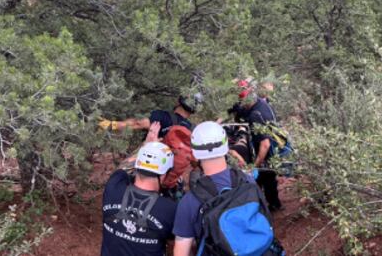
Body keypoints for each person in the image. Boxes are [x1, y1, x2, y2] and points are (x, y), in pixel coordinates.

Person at [173, 121, 279, 256]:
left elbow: (181, 251)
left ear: (195, 153)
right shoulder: (248, 181)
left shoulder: (190, 202)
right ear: (226, 145)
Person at [101, 128, 177, 256]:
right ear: (164, 174)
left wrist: (145, 145)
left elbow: (123, 168)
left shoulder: (113, 188)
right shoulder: (170, 210)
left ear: (137, 165)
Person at [234, 83, 284, 211]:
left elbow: (265, 144)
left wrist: (255, 165)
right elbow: (242, 111)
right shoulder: (261, 104)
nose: (242, 104)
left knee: (264, 179)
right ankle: (272, 204)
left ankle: (268, 207)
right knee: (268, 180)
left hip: (265, 153)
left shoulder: (255, 115)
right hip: (271, 150)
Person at [99, 93, 201, 138]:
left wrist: (109, 125)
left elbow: (137, 123)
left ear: (179, 101)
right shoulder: (191, 128)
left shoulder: (162, 116)